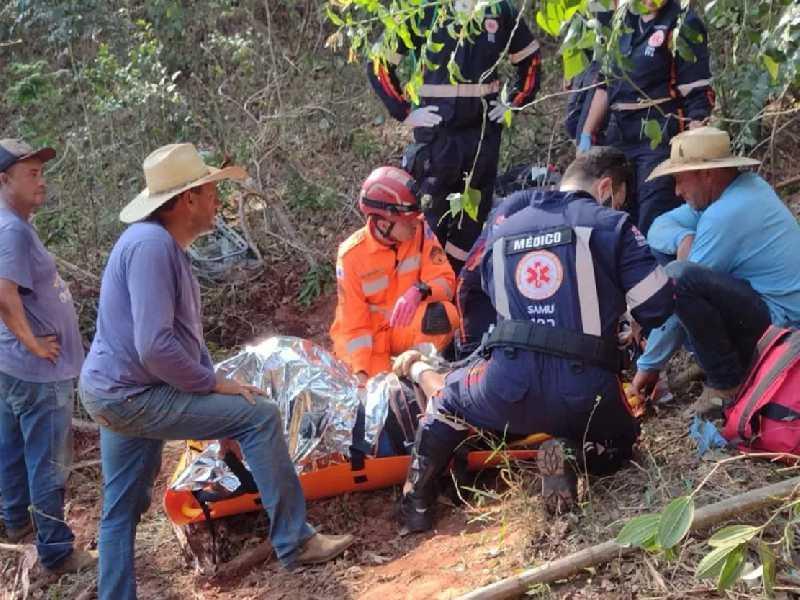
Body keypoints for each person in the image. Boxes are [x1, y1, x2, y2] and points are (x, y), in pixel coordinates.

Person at [79, 144, 353, 600]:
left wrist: (217, 412)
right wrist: (214, 387)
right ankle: (296, 542)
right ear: (187, 199)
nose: (216, 202)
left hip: (115, 393)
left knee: (121, 507)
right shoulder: (151, 248)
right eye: (210, 191)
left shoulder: (158, 245)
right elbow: (155, 346)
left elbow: (180, 338)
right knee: (259, 414)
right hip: (131, 394)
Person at [392, 147, 674, 530]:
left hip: (506, 386)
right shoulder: (612, 225)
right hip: (588, 392)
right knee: (621, 443)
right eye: (621, 196)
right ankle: (571, 452)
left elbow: (476, 291)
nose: (619, 204)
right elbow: (658, 305)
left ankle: (416, 505)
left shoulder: (504, 226)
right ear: (606, 186)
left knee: (447, 401)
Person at [631, 127, 800, 415]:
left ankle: (725, 383)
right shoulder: (746, 186)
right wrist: (682, 239)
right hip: (767, 309)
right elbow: (659, 225)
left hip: (784, 328)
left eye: (680, 179)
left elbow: (677, 292)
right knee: (675, 265)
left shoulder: (726, 215)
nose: (676, 191)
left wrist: (648, 365)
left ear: (706, 175)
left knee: (679, 278)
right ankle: (719, 360)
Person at [367, 0, 542, 272]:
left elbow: (530, 58)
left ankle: (456, 284)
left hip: (482, 134)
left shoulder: (499, 9)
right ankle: (424, 287)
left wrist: (513, 102)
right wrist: (404, 112)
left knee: (473, 216)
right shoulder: (423, 9)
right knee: (431, 214)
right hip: (438, 136)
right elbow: (379, 64)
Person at [0, 139, 97, 574]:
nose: (42, 181)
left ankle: (15, 523)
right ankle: (56, 551)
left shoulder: (13, 223)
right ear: (4, 181)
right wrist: (35, 343)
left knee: (13, 449)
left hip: (14, 366)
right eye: (31, 174)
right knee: (49, 460)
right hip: (38, 371)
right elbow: (3, 292)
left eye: (42, 172)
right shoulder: (12, 230)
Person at [579, 0, 714, 235]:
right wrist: (586, 134)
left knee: (653, 211)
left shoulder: (682, 23)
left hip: (659, 132)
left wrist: (694, 140)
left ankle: (657, 268)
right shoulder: (620, 23)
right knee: (612, 209)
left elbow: (697, 93)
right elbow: (604, 85)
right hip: (618, 131)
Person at [331, 166, 459, 381]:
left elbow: (446, 281)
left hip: (400, 327)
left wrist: (421, 290)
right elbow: (355, 327)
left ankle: (419, 370)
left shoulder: (420, 232)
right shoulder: (351, 256)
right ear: (383, 223)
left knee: (444, 314)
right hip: (366, 341)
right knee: (378, 394)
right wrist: (361, 373)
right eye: (408, 220)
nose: (415, 222)